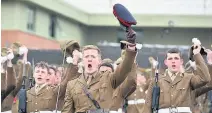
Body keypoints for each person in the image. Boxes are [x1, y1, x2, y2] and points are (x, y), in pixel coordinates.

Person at [62, 41, 137, 113]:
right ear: (82, 61)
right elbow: (67, 111)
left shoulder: (109, 79)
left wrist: (130, 49)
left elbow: (124, 69)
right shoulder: (72, 85)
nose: (90, 59)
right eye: (87, 56)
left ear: (99, 61)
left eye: (93, 57)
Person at [143, 45, 211, 113]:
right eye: (170, 59)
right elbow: (147, 105)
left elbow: (205, 79)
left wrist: (196, 54)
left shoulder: (188, 78)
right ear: (166, 62)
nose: (173, 61)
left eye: (176, 58)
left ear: (181, 62)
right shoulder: (156, 81)